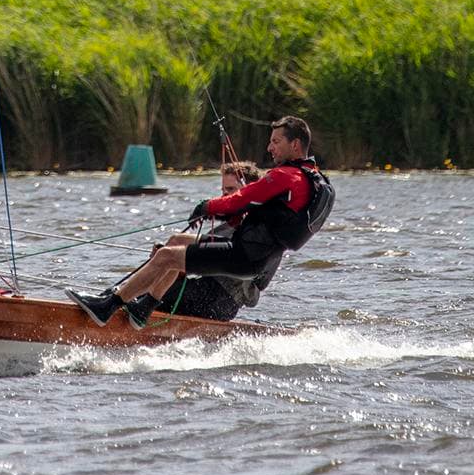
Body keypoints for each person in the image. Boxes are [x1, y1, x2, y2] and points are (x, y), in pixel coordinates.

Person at [72, 116, 334, 328]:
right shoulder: (311, 180)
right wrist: (227, 214)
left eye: (276, 141)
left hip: (244, 256)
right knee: (174, 246)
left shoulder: (287, 177)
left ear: (296, 145)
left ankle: (107, 308)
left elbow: (240, 198)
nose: (270, 147)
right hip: (254, 256)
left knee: (165, 257)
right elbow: (266, 213)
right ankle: (141, 308)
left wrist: (206, 206)